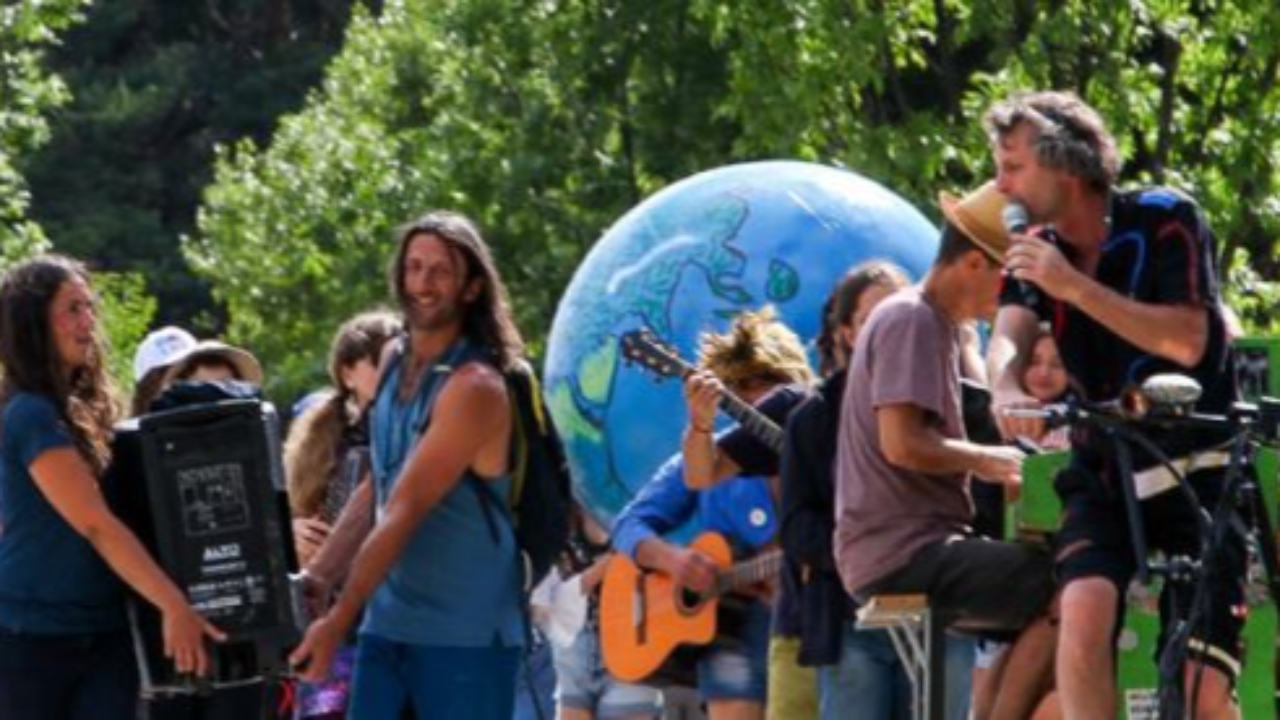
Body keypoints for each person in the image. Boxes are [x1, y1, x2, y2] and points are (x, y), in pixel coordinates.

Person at [983, 90, 1245, 719]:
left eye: (1013, 165)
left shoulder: (1166, 218)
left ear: (1064, 164)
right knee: (1083, 610)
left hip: (1199, 469)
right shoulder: (1035, 254)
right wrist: (1005, 387)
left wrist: (1071, 284)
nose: (1000, 184)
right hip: (1105, 470)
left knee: (1202, 686)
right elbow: (1008, 339)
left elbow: (1186, 340)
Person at [290, 210, 528, 719]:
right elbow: (380, 483)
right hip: (389, 624)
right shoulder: (395, 357)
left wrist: (337, 621)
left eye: (440, 271)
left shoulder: (475, 387)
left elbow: (406, 507)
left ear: (471, 288)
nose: (422, 282)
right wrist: (320, 576)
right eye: (413, 267)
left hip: (465, 634)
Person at [834, 183, 1057, 720]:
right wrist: (989, 461)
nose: (1008, 304)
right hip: (903, 552)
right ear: (976, 263)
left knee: (1047, 587)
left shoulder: (934, 325)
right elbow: (903, 444)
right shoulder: (911, 318)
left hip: (904, 547)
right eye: (1009, 283)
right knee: (1074, 585)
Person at [0, 255, 223, 719]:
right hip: (31, 640)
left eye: (89, 306)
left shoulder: (86, 410)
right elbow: (96, 525)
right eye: (72, 309)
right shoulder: (30, 414)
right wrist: (174, 607)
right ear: (33, 322)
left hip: (104, 633)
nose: (88, 322)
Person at [612, 308, 814, 720]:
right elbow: (630, 525)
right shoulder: (709, 453)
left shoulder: (822, 450)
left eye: (768, 381)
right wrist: (674, 559)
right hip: (732, 630)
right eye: (742, 386)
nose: (758, 397)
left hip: (812, 618)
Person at [780, 261, 944, 720]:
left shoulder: (942, 399)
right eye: (874, 317)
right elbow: (796, 526)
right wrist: (867, 556)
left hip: (937, 614)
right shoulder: (812, 419)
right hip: (851, 619)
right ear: (849, 332)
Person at [283, 310, 400, 719]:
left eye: (398, 357)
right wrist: (292, 533)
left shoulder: (417, 426)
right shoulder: (321, 440)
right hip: (336, 620)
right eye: (377, 360)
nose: (391, 370)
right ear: (347, 373)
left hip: (400, 613)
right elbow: (281, 521)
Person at [531, 502, 662, 720]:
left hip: (632, 647)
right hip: (571, 660)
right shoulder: (553, 512)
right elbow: (541, 608)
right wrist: (603, 568)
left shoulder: (646, 504)